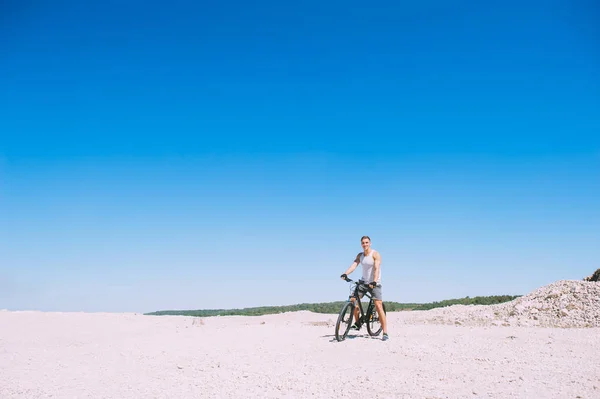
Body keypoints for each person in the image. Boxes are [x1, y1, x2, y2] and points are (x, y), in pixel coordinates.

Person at [340, 235, 389, 341]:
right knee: (353, 300)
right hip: (363, 283)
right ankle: (357, 323)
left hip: (374, 283)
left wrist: (374, 281)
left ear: (370, 243)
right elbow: (354, 265)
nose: (365, 244)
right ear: (361, 244)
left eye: (367, 242)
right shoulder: (360, 255)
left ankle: (385, 332)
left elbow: (376, 268)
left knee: (378, 305)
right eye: (363, 243)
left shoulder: (375, 254)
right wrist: (345, 273)